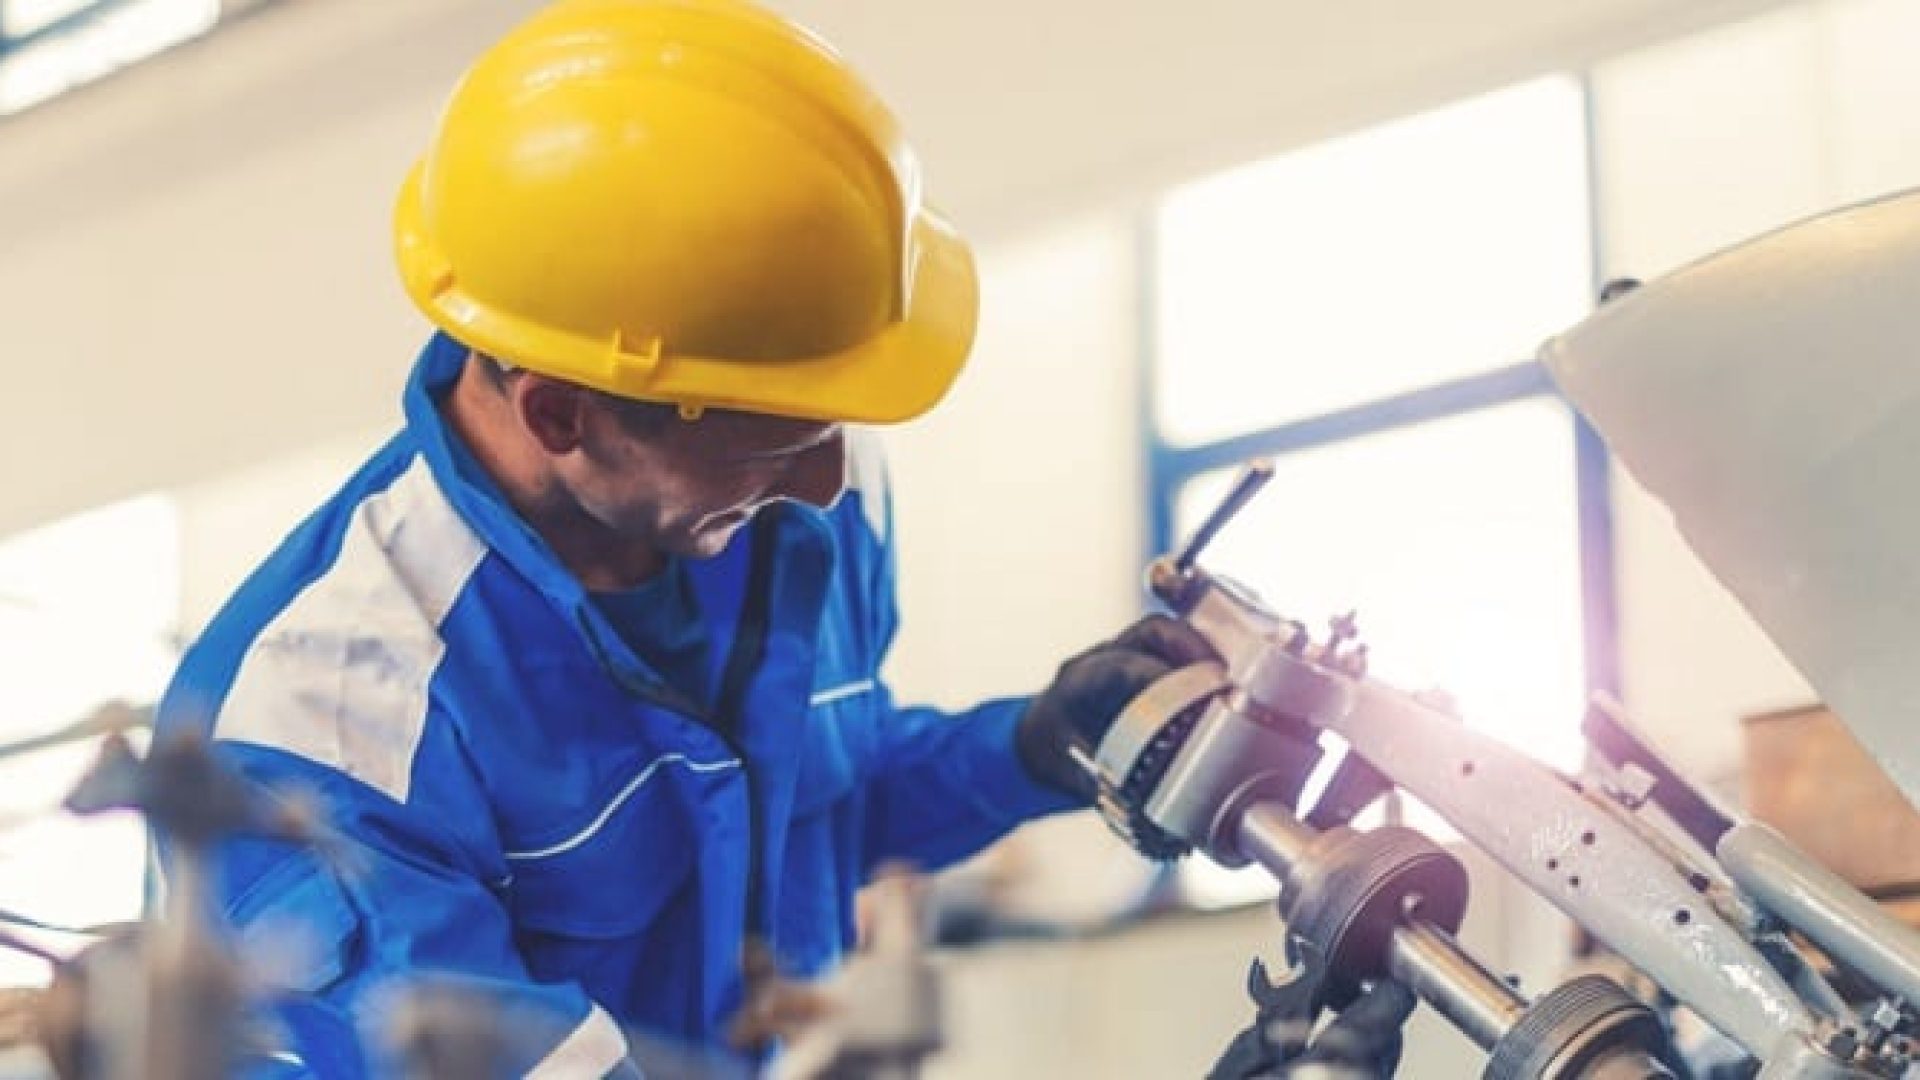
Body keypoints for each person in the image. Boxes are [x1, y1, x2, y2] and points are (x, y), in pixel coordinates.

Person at [154, 0, 1222, 1074]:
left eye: (831, 421)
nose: (827, 483)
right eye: (775, 443)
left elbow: (815, 799)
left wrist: (1034, 745)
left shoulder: (787, 507)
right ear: (559, 416)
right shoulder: (325, 728)